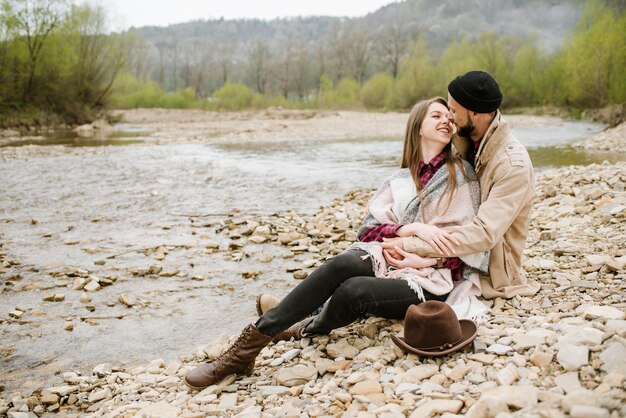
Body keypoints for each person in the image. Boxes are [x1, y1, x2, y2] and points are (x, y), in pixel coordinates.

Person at [184, 97, 489, 391]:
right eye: (436, 116)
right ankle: (244, 350)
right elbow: (368, 232)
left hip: (430, 279)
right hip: (386, 256)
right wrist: (409, 230)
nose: (446, 121)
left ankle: (302, 327)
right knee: (346, 263)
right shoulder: (398, 180)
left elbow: (469, 247)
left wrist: (416, 255)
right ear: (417, 126)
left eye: (449, 118)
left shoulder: (461, 175)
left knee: (352, 290)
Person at [382, 70, 540, 299]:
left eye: (453, 111)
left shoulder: (513, 166)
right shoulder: (464, 140)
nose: (449, 117)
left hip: (488, 269)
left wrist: (412, 245)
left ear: (476, 112)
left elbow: (484, 233)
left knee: (361, 291)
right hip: (448, 253)